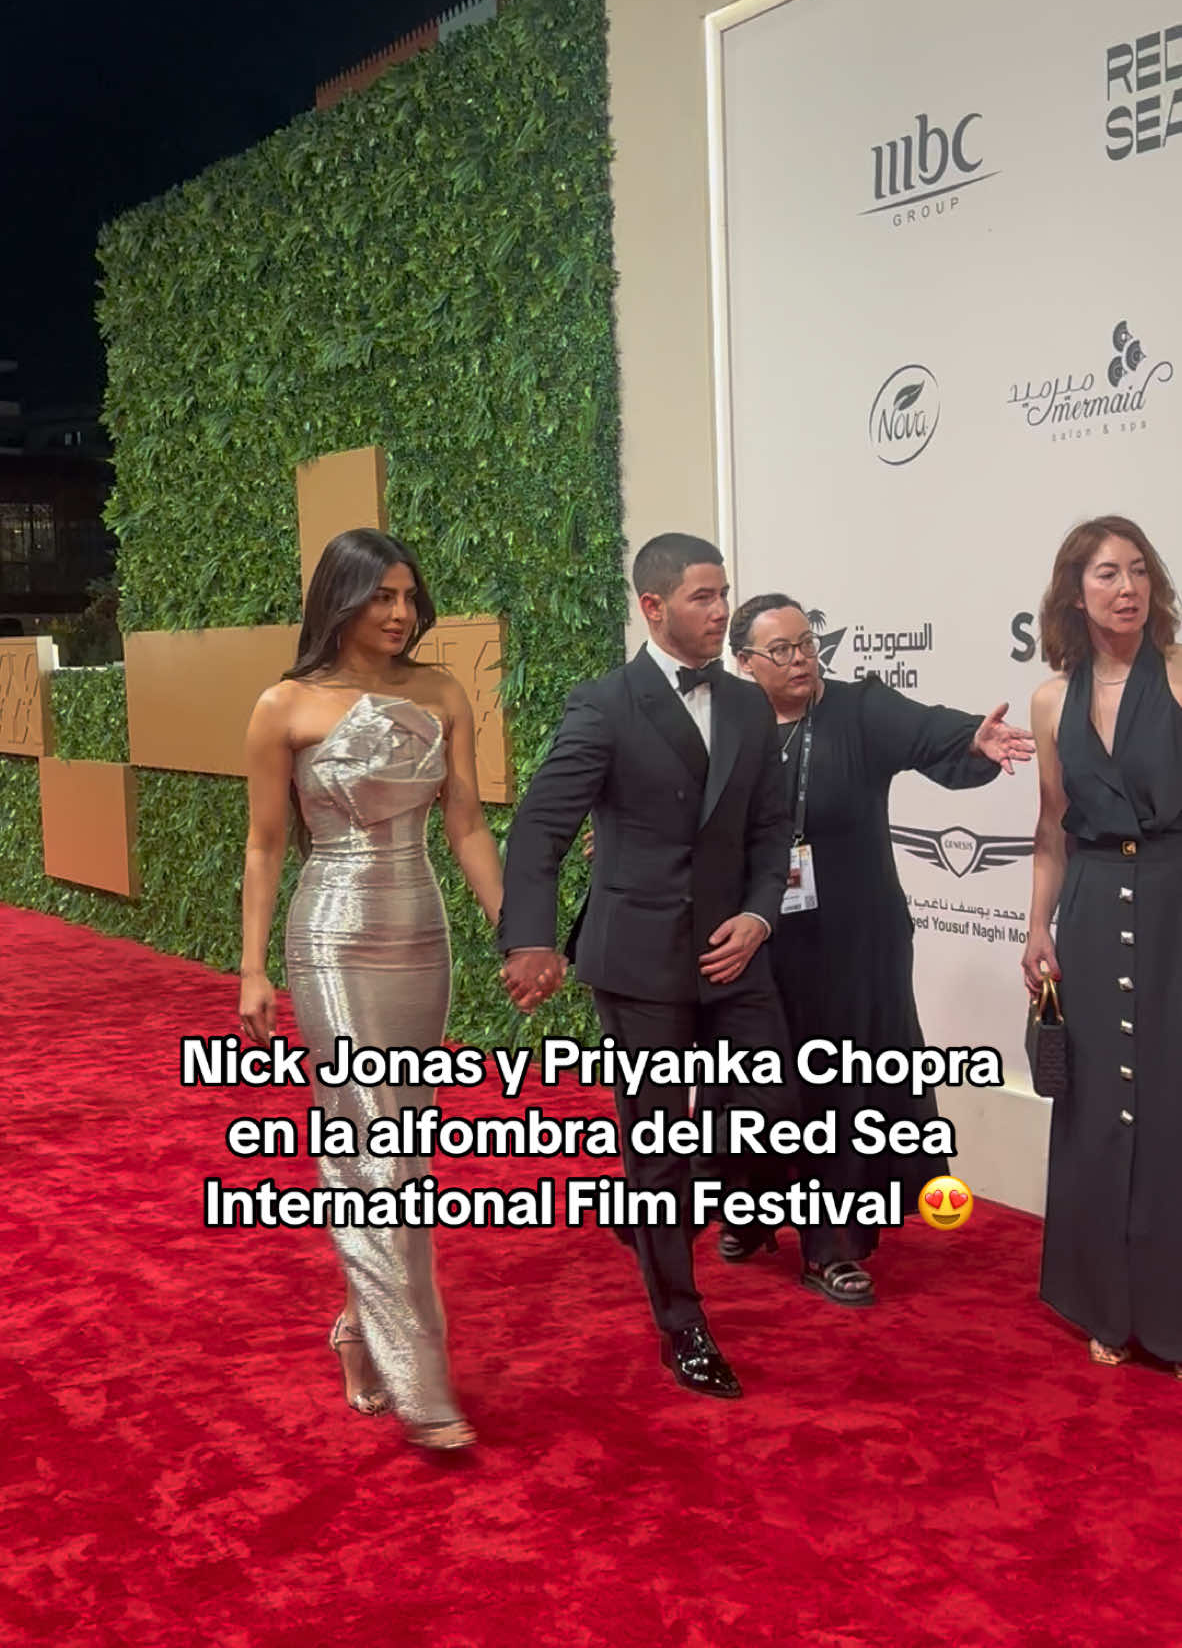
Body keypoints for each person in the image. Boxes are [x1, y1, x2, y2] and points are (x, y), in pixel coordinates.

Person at [497, 533, 795, 1400]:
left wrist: (759, 912)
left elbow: (774, 830)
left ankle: (650, 1213)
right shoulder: (605, 705)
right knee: (658, 1148)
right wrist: (530, 938)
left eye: (725, 594)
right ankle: (682, 1325)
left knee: (775, 1105)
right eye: (704, 596)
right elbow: (542, 829)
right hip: (639, 960)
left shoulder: (747, 705)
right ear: (653, 607)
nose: (720, 610)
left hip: (735, 953)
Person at [239, 528, 515, 1449]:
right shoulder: (286, 704)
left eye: (409, 596)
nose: (400, 614)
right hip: (330, 935)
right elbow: (267, 843)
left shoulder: (441, 693)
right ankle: (423, 1380)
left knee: (409, 1148)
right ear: (341, 600)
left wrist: (514, 929)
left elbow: (468, 822)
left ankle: (359, 1327)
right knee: (375, 1150)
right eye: (381, 597)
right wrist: (251, 966)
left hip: (418, 928)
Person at [731, 593, 1033, 1304]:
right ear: (744, 663)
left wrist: (975, 741)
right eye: (781, 649)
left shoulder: (859, 708)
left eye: (806, 642)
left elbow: (931, 733)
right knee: (760, 1082)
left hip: (855, 942)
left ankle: (831, 1243)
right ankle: (754, 1205)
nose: (801, 657)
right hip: (760, 940)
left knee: (840, 1086)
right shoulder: (727, 724)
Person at [1022, 516, 1182, 1378]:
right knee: (1096, 1111)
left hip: (1173, 903)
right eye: (1107, 573)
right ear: (1073, 593)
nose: (1128, 588)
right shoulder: (1053, 700)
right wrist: (1037, 923)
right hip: (1086, 906)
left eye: (1139, 571)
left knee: (1171, 1105)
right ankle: (1105, 1303)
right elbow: (1051, 829)